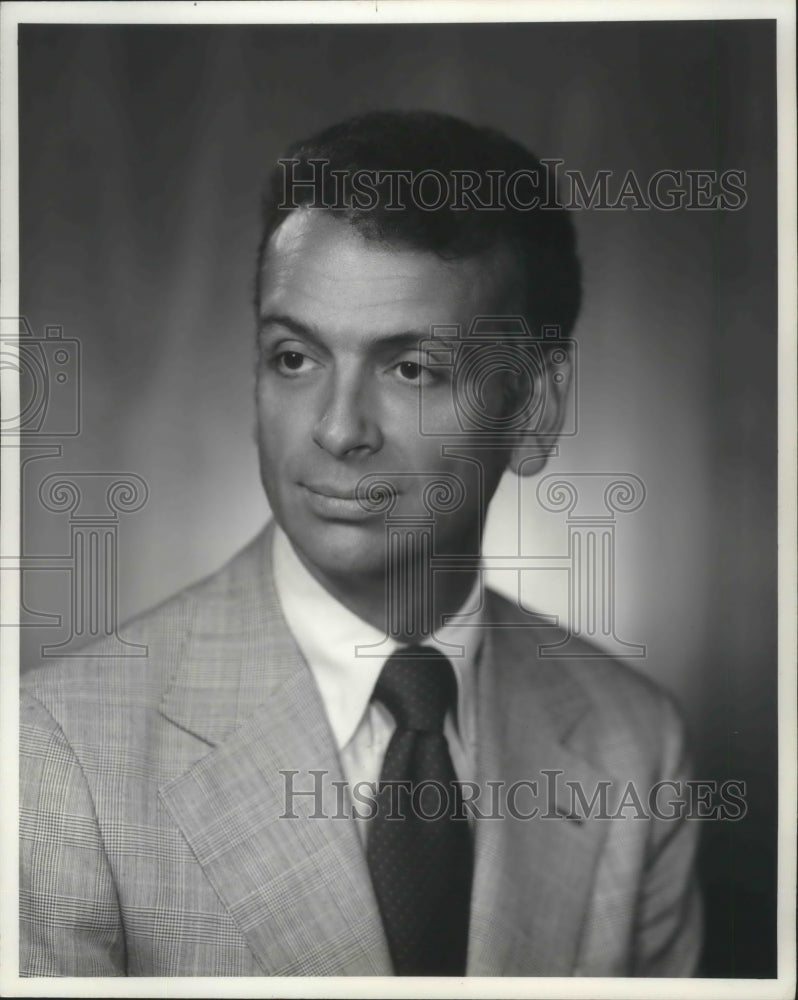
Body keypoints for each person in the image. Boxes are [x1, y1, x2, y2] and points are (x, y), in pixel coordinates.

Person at [20, 110, 702, 977]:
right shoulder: (54, 756)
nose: (339, 430)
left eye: (413, 368)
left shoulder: (634, 745)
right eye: (295, 358)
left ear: (534, 407)